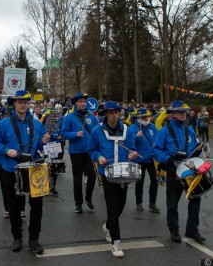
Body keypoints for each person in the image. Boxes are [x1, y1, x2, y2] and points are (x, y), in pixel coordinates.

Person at [0, 90, 51, 254]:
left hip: (34, 168)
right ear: (14, 103)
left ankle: (34, 239)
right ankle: (17, 237)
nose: (23, 104)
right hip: (11, 168)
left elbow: (44, 146)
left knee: (37, 205)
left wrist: (45, 142)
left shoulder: (37, 124)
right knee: (14, 206)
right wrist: (6, 150)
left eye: (25, 101)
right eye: (19, 102)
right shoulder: (4, 124)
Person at [86, 101, 139, 257]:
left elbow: (132, 148)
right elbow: (92, 150)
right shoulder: (97, 131)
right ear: (106, 114)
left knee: (121, 206)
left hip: (124, 172)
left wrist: (132, 155)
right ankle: (116, 244)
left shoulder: (127, 130)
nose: (114, 115)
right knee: (112, 207)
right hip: (107, 173)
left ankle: (108, 225)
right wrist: (99, 157)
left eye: (116, 112)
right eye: (110, 113)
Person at [152, 100, 205, 243]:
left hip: (190, 171)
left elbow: (194, 150)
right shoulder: (164, 131)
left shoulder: (191, 130)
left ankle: (192, 230)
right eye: (180, 111)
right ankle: (174, 230)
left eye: (184, 111)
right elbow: (155, 150)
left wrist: (198, 149)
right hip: (173, 170)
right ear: (173, 114)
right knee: (172, 203)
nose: (183, 114)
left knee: (196, 199)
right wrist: (167, 159)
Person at [60, 92, 99, 213]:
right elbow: (63, 134)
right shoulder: (69, 117)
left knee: (92, 176)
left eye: (84, 101)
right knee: (77, 179)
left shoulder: (91, 116)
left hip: (89, 151)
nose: (83, 103)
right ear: (76, 103)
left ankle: (88, 198)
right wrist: (75, 134)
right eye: (80, 101)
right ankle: (78, 203)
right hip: (76, 152)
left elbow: (97, 131)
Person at [128, 108, 160, 213]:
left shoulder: (153, 127)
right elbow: (128, 142)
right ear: (138, 118)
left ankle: (152, 203)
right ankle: (139, 203)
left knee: (155, 181)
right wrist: (136, 136)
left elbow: (158, 140)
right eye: (143, 117)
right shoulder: (132, 128)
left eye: (147, 116)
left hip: (151, 159)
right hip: (139, 160)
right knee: (139, 182)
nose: (146, 118)